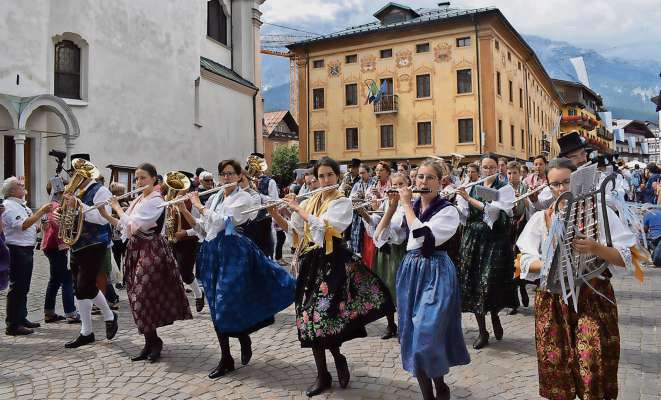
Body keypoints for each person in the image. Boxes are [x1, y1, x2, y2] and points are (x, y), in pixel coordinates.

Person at [517, 157, 640, 400]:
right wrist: (548, 264)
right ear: (548, 186)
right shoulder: (541, 219)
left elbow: (628, 257)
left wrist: (596, 248)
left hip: (593, 296)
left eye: (566, 183)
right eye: (555, 184)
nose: (561, 189)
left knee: (593, 366)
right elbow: (523, 260)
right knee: (557, 370)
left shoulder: (600, 213)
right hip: (552, 301)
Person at [268, 156, 392, 397]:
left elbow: (325, 228)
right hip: (310, 263)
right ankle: (323, 373)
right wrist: (277, 212)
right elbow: (297, 230)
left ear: (337, 176)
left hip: (333, 263)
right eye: (321, 176)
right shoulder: (312, 199)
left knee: (323, 317)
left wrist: (299, 209)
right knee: (308, 318)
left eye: (329, 175)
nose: (325, 180)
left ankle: (336, 358)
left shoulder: (342, 202)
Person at [182, 159, 295, 379]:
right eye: (223, 174)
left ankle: (243, 336)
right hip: (212, 253)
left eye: (231, 174)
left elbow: (223, 222)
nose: (226, 178)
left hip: (234, 253)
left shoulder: (243, 197)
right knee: (215, 306)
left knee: (227, 303)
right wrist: (184, 209)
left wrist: (198, 205)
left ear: (238, 176)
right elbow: (204, 229)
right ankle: (226, 358)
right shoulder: (214, 197)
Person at [381, 159, 470, 400]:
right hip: (411, 270)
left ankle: (440, 384)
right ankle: (428, 395)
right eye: (420, 177)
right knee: (411, 332)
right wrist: (391, 209)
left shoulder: (449, 211)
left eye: (430, 177)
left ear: (441, 182)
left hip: (436, 272)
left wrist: (407, 205)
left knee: (426, 333)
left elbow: (423, 237)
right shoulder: (408, 207)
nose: (423, 182)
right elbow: (385, 239)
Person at [100, 163, 192, 362]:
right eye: (137, 178)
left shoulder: (156, 200)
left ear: (153, 179)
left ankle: (154, 341)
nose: (139, 182)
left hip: (151, 250)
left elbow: (134, 224)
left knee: (143, 295)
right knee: (135, 296)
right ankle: (150, 341)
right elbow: (126, 228)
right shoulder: (139, 199)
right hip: (135, 249)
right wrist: (107, 215)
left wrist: (116, 206)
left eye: (143, 178)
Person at [456, 153, 518, 349]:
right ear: (480, 168)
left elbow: (493, 212)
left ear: (499, 168)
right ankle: (483, 331)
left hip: (494, 241)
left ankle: (495, 316)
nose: (489, 171)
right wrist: (458, 202)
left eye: (492, 167)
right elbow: (465, 215)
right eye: (485, 167)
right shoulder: (473, 187)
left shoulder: (504, 189)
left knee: (489, 283)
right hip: (473, 240)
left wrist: (469, 198)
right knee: (474, 284)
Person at [60, 159, 118, 349]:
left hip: (94, 243)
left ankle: (109, 315)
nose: (73, 177)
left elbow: (103, 219)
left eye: (76, 173)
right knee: (79, 288)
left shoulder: (101, 190)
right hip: (76, 244)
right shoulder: (77, 191)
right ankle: (87, 332)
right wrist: (62, 214)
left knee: (85, 285)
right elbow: (72, 216)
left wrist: (78, 206)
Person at [357, 172, 410, 340]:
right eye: (394, 185)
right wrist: (365, 213)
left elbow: (396, 230)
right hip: (384, 251)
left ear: (408, 185)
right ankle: (390, 323)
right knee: (384, 287)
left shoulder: (409, 204)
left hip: (399, 250)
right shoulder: (388, 203)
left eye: (401, 184)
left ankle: (404, 325)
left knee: (399, 288)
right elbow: (378, 224)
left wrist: (388, 211)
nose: (397, 188)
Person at [2, 177, 52, 335]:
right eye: (19, 185)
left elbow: (30, 226)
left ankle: (21, 317)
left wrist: (39, 227)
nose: (24, 187)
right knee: (17, 287)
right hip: (17, 249)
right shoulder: (9, 206)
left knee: (24, 287)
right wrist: (42, 211)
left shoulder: (21, 205)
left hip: (26, 248)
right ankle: (12, 324)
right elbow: (22, 225)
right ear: (12, 191)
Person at [42, 180, 79, 324]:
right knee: (67, 280)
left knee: (55, 279)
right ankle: (71, 313)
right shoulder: (57, 206)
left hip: (51, 247)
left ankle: (49, 312)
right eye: (67, 190)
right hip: (58, 248)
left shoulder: (51, 205)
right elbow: (59, 228)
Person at [506, 161, 531, 314]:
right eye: (509, 173)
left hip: (522, 227)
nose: (512, 176)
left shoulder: (525, 187)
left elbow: (529, 207)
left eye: (514, 173)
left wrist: (522, 198)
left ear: (520, 174)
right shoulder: (504, 189)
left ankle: (523, 287)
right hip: (508, 228)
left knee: (520, 260)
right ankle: (513, 301)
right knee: (510, 264)